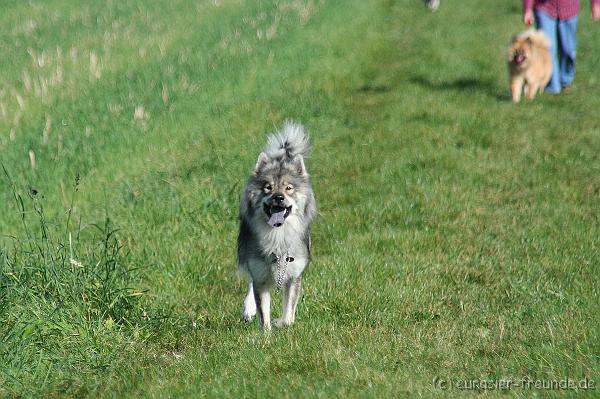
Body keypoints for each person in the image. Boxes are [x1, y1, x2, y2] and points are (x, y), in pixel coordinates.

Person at [523, 0, 600, 93]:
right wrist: (528, 9)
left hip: (570, 9)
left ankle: (565, 80)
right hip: (544, 8)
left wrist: (595, 4)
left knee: (569, 50)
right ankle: (552, 86)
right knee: (547, 50)